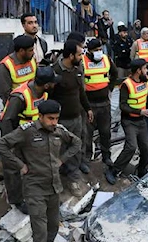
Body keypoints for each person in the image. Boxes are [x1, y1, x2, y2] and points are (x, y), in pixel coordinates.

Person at [0, 100, 81, 242]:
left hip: (53, 187)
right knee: (40, 231)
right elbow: (1, 144)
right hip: (34, 188)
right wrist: (20, 165)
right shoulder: (27, 132)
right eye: (50, 119)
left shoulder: (59, 130)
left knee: (52, 226)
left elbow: (77, 142)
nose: (53, 122)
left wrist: (62, 160)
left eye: (56, 118)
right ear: (40, 117)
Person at [0, 67, 58, 215]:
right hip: (18, 135)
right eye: (52, 82)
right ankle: (17, 199)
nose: (54, 84)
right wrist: (11, 144)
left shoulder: (43, 92)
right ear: (46, 85)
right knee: (13, 167)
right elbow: (7, 121)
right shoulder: (20, 97)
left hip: (33, 133)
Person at [50, 40, 93, 197]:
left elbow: (81, 92)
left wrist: (87, 108)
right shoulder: (55, 72)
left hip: (77, 117)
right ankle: (57, 179)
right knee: (58, 149)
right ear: (70, 55)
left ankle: (74, 177)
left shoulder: (78, 68)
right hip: (60, 121)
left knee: (76, 147)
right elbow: (49, 97)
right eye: (80, 54)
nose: (82, 57)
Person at [104, 59, 148, 184]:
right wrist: (140, 111)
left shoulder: (145, 80)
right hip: (129, 121)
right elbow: (123, 106)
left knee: (147, 149)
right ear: (138, 70)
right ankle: (114, 170)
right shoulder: (127, 84)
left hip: (141, 121)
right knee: (131, 146)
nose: (147, 70)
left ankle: (141, 171)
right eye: (145, 68)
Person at [83, 39, 117, 169]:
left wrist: (110, 88)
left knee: (105, 132)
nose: (98, 52)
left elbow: (114, 74)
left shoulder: (106, 59)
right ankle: (87, 158)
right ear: (89, 51)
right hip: (89, 104)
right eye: (95, 50)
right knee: (87, 134)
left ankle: (106, 156)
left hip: (104, 103)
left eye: (99, 49)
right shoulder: (83, 61)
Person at [0, 35, 36, 103]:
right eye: (30, 50)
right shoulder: (6, 65)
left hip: (32, 101)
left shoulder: (31, 60)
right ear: (21, 51)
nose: (33, 53)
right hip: (17, 103)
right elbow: (7, 93)